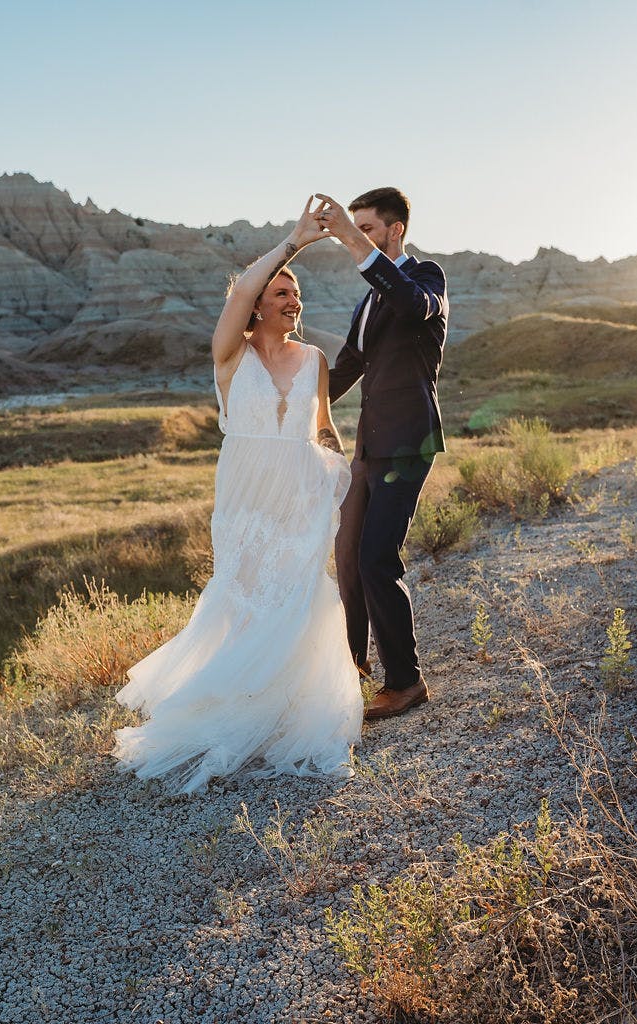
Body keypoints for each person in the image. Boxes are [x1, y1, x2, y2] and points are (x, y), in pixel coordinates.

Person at [112, 198, 363, 794]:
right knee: (247, 594)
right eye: (280, 292)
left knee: (299, 598)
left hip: (300, 493)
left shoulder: (316, 359)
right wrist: (293, 244)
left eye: (295, 291)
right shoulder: (231, 356)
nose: (292, 299)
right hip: (246, 496)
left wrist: (340, 479)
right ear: (254, 306)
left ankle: (287, 714)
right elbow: (236, 297)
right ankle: (241, 711)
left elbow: (323, 427)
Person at [313, 188, 448, 719]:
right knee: (348, 556)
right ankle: (351, 665)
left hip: (408, 442)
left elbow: (414, 306)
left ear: (395, 230)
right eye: (357, 228)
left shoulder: (425, 278)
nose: (359, 237)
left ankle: (406, 680)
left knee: (376, 558)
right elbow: (347, 364)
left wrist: (348, 237)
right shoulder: (368, 299)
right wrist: (297, 405)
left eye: (367, 228)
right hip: (370, 445)